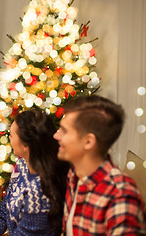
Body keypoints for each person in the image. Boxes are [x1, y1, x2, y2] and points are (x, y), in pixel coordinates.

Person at [53, 95, 145, 235]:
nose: (56, 136)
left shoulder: (120, 194)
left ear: (88, 142)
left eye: (64, 131)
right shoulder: (74, 176)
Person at [0, 110, 70, 236]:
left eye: (12, 135)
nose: (9, 138)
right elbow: (5, 209)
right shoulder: (22, 166)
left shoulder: (41, 190)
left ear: (25, 144)